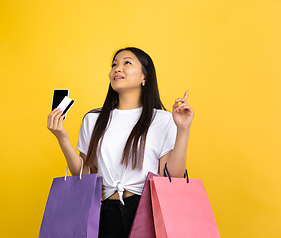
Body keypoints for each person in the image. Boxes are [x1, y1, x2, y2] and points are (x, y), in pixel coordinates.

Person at [47, 47, 194, 238]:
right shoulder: (94, 120)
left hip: (148, 212)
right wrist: (62, 138)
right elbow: (84, 175)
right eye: (114, 64)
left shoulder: (163, 119)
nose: (117, 68)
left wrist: (183, 130)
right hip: (107, 212)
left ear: (144, 77)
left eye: (127, 63)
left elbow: (173, 176)